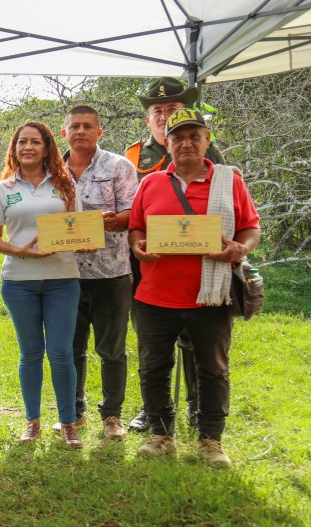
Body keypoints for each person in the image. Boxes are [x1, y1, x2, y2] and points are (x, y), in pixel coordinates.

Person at [129, 108, 260, 468]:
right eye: (177, 137)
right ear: (167, 143)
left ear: (206, 140)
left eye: (193, 136)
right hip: (155, 296)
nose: (185, 143)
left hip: (211, 297)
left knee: (213, 369)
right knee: (153, 367)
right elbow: (137, 227)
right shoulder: (151, 183)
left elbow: (251, 226)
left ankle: (210, 441)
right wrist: (138, 245)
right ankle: (160, 435)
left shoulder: (229, 180)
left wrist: (241, 248)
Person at [125, 77, 225, 432]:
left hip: (201, 261)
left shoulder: (207, 150)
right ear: (149, 118)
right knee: (152, 340)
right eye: (158, 111)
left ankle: (199, 403)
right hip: (149, 263)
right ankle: (151, 408)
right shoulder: (134, 157)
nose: (165, 116)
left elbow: (225, 203)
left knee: (200, 339)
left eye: (172, 110)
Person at [0, 121, 84, 449]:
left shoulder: (66, 184)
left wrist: (84, 240)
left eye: (35, 142)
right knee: (30, 353)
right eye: (22, 142)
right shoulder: (2, 189)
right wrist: (21, 250)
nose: (28, 147)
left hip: (62, 279)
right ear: (14, 148)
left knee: (60, 353)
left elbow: (77, 228)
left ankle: (68, 423)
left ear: (47, 147)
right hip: (19, 281)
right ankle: (32, 422)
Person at [59, 105, 138, 440]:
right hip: (65, 273)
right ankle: (74, 413)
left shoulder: (119, 166)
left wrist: (109, 223)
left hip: (111, 273)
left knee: (111, 350)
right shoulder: (53, 170)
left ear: (99, 132)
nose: (80, 131)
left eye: (88, 126)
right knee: (71, 349)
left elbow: (133, 214)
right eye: (74, 126)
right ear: (64, 132)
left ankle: (112, 416)